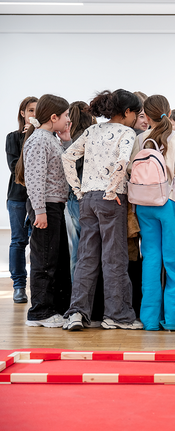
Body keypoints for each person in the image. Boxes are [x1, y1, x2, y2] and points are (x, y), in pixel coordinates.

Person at [62, 89, 143, 331]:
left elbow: (67, 157)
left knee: (86, 257)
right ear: (127, 112)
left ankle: (77, 313)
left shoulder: (92, 130)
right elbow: (123, 162)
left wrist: (78, 190)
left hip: (87, 198)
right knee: (114, 258)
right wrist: (112, 189)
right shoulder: (127, 132)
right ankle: (117, 316)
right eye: (135, 113)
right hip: (112, 199)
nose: (135, 118)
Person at [130, 95, 175, 331]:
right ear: (168, 112)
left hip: (144, 204)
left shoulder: (140, 139)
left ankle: (149, 319)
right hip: (171, 202)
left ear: (146, 116)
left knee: (151, 260)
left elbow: (130, 170)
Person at [16, 94, 72, 327]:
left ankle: (55, 308)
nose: (68, 120)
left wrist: (66, 141)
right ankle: (40, 312)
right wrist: (39, 211)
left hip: (54, 205)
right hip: (45, 206)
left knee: (57, 259)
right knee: (45, 260)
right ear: (54, 117)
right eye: (66, 115)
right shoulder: (39, 139)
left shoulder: (51, 138)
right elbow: (35, 178)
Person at [5, 96, 37, 303]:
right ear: (23, 113)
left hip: (40, 198)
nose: (34, 114)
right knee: (18, 241)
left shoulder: (47, 137)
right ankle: (19, 286)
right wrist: (28, 140)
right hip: (17, 197)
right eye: (31, 110)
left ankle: (38, 286)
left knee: (38, 242)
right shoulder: (13, 138)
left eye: (37, 110)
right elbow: (16, 169)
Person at [65, 101, 96, 277]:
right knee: (87, 247)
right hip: (87, 197)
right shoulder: (89, 138)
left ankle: (76, 288)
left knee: (77, 247)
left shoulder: (73, 140)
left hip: (74, 198)